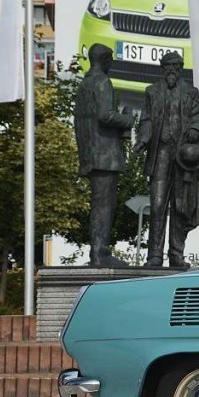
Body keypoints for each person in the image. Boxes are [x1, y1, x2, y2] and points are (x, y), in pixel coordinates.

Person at [135, 52, 199, 267]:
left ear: (180, 69)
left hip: (182, 155)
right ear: (162, 68)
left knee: (181, 206)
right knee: (157, 204)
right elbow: (146, 120)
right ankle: (154, 255)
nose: (171, 70)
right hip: (160, 153)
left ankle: (176, 254)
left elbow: (198, 117)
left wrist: (195, 128)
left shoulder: (190, 92)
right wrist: (143, 140)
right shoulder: (152, 91)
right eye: (168, 66)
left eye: (176, 66)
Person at [74, 44, 135, 267]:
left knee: (99, 203)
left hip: (91, 152)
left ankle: (99, 250)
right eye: (111, 60)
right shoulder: (102, 82)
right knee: (104, 205)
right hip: (104, 154)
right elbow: (105, 115)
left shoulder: (84, 84)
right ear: (106, 60)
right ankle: (100, 252)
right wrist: (127, 119)